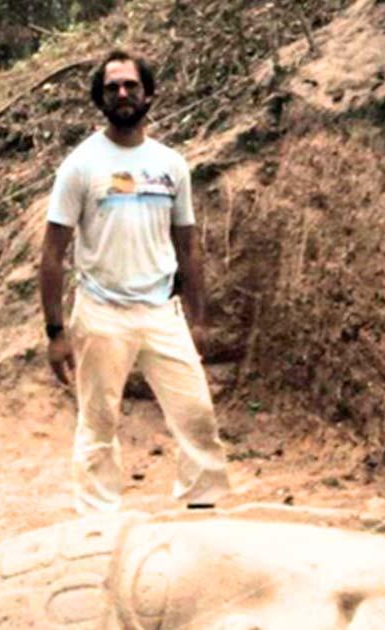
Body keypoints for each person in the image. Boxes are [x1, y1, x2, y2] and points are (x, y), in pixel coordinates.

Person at [39, 50, 230, 514]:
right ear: (100, 99)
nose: (122, 94)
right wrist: (56, 333)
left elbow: (187, 247)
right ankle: (97, 524)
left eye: (130, 85)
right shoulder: (80, 166)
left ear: (148, 94)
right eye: (112, 88)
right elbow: (51, 254)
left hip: (163, 313)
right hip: (102, 313)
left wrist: (198, 319)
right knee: (98, 424)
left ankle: (201, 510)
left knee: (197, 416)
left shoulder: (171, 165)